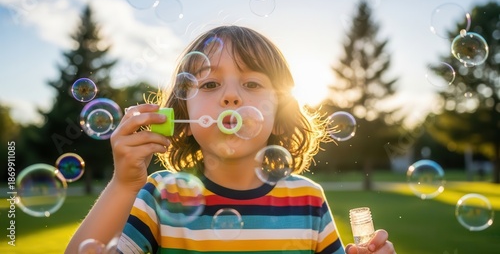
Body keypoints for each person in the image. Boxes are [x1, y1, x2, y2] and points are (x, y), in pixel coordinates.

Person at [66, 26, 395, 254]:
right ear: (182, 118)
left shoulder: (307, 200)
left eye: (252, 84)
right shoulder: (161, 196)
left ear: (280, 113)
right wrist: (124, 185)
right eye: (210, 85)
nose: (232, 98)